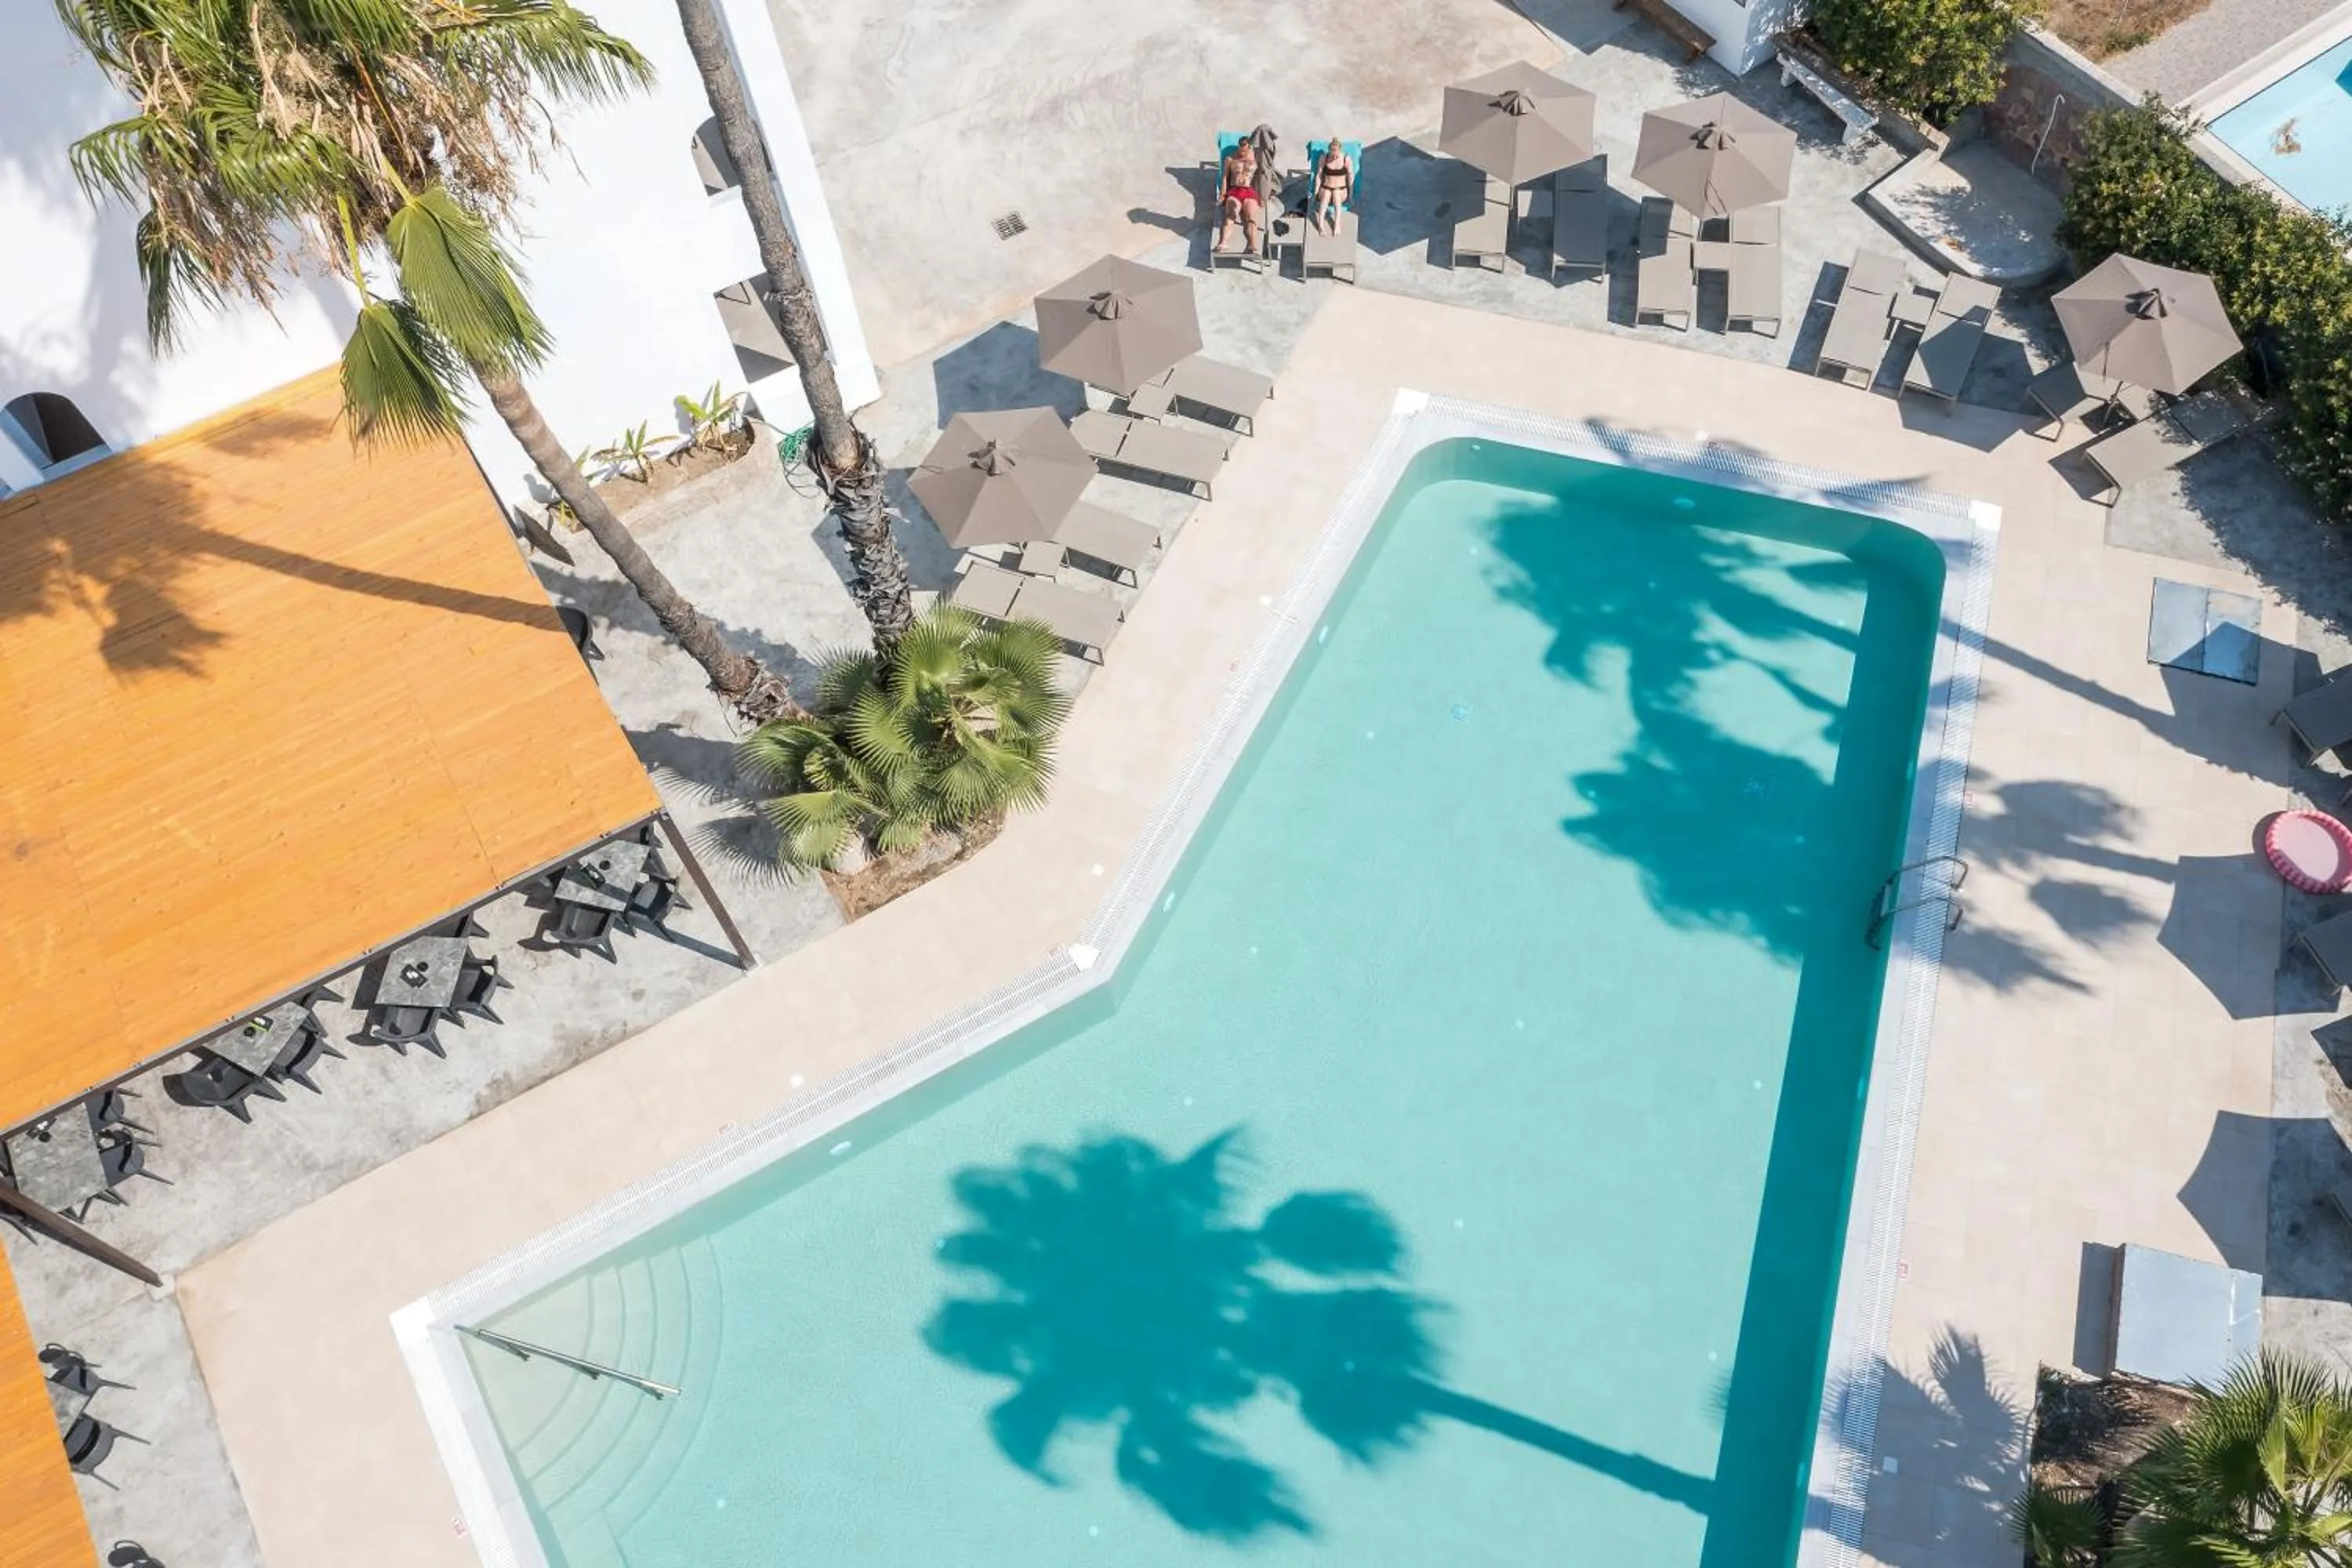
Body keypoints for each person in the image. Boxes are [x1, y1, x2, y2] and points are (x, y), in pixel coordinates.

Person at [1217, 137, 1263, 256]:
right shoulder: (1230, 159)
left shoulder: (1256, 158)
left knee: (1251, 218)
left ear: (1249, 147)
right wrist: (1222, 194)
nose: (1242, 152)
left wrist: (1262, 196)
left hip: (1249, 191)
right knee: (1230, 216)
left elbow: (1261, 177)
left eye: (1244, 150)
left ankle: (1251, 245)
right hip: (1234, 191)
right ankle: (1223, 242)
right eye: (1240, 149)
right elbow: (1225, 177)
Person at [1312, 136, 1353, 235]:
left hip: (1341, 190)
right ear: (1329, 151)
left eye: (1336, 155)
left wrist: (1350, 193)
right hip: (1326, 188)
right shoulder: (1324, 158)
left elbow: (1350, 176)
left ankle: (1337, 224)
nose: (1334, 158)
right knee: (1326, 195)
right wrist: (1316, 192)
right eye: (1332, 155)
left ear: (1340, 150)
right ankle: (1321, 225)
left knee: (1336, 194)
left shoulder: (1346, 159)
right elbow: (1319, 175)